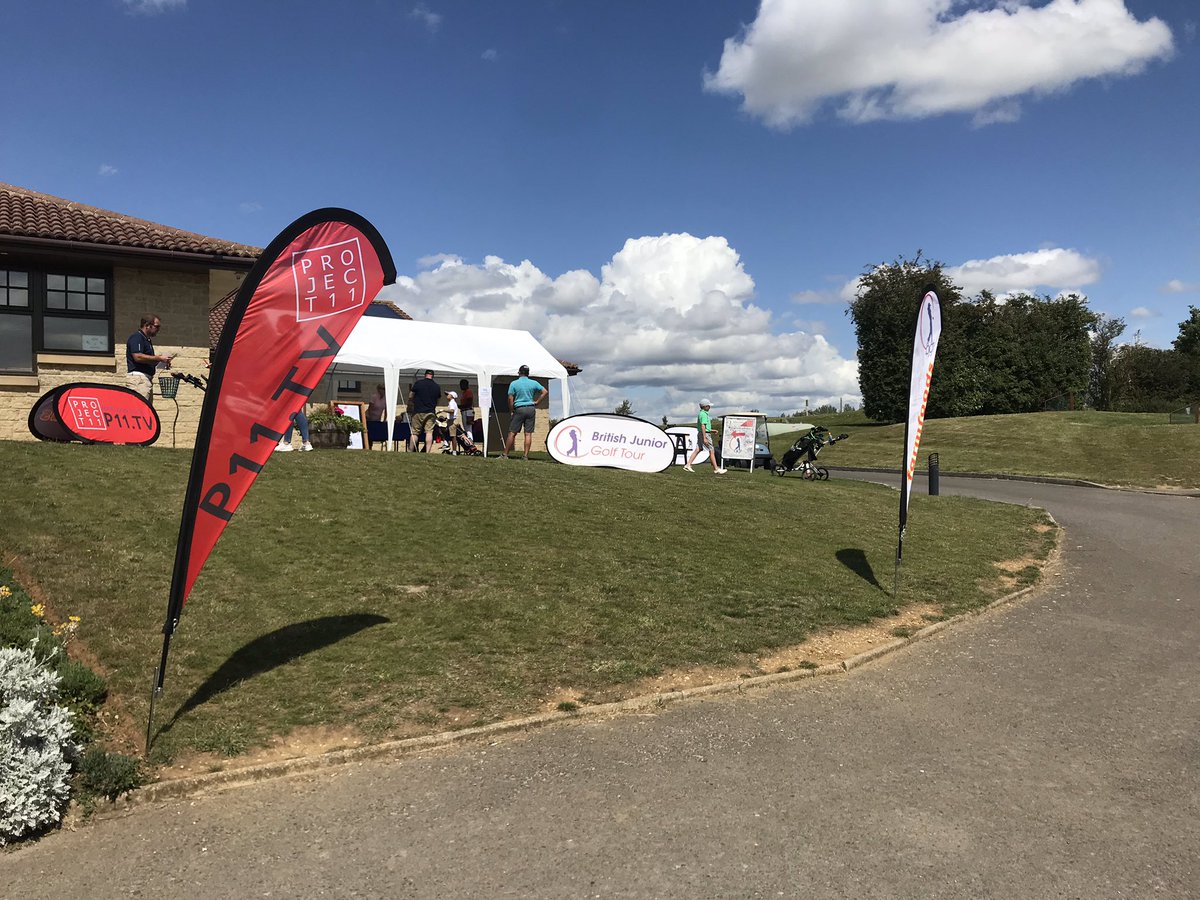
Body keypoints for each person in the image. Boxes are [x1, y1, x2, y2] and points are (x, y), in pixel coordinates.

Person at [501, 364, 548, 460]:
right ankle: (525, 456)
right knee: (528, 433)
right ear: (528, 373)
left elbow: (510, 398)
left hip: (519, 408)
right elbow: (545, 391)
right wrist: (537, 402)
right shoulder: (534, 383)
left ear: (519, 373)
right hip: (531, 408)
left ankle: (505, 454)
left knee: (512, 432)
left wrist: (511, 410)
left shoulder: (514, 383)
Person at [125, 314, 174, 402]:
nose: (158, 330)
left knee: (146, 410)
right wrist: (159, 358)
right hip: (138, 379)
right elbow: (137, 357)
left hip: (145, 379)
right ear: (147, 325)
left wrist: (161, 363)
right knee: (140, 409)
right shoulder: (137, 337)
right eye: (157, 326)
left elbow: (147, 359)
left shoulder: (147, 340)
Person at [684, 399, 726, 474]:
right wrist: (705, 438)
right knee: (711, 450)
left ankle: (688, 464)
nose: (710, 407)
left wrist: (712, 430)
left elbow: (703, 427)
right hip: (705, 434)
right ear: (705, 406)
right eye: (708, 406)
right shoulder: (704, 414)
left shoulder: (701, 414)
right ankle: (716, 468)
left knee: (698, 449)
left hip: (702, 433)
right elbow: (703, 426)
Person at [409, 369, 441, 452]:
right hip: (430, 411)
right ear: (433, 376)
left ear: (425, 375)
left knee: (415, 432)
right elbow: (437, 400)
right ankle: (428, 452)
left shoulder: (418, 383)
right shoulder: (437, 386)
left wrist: (413, 402)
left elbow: (410, 396)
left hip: (418, 411)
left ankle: (410, 450)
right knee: (429, 432)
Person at [366, 383, 388, 450]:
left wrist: (384, 419)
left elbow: (386, 410)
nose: (383, 390)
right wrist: (369, 417)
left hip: (377, 419)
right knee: (369, 433)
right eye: (382, 389)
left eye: (384, 389)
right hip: (369, 417)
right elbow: (370, 408)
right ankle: (368, 447)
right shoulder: (374, 397)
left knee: (376, 433)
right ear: (378, 390)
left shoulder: (385, 399)